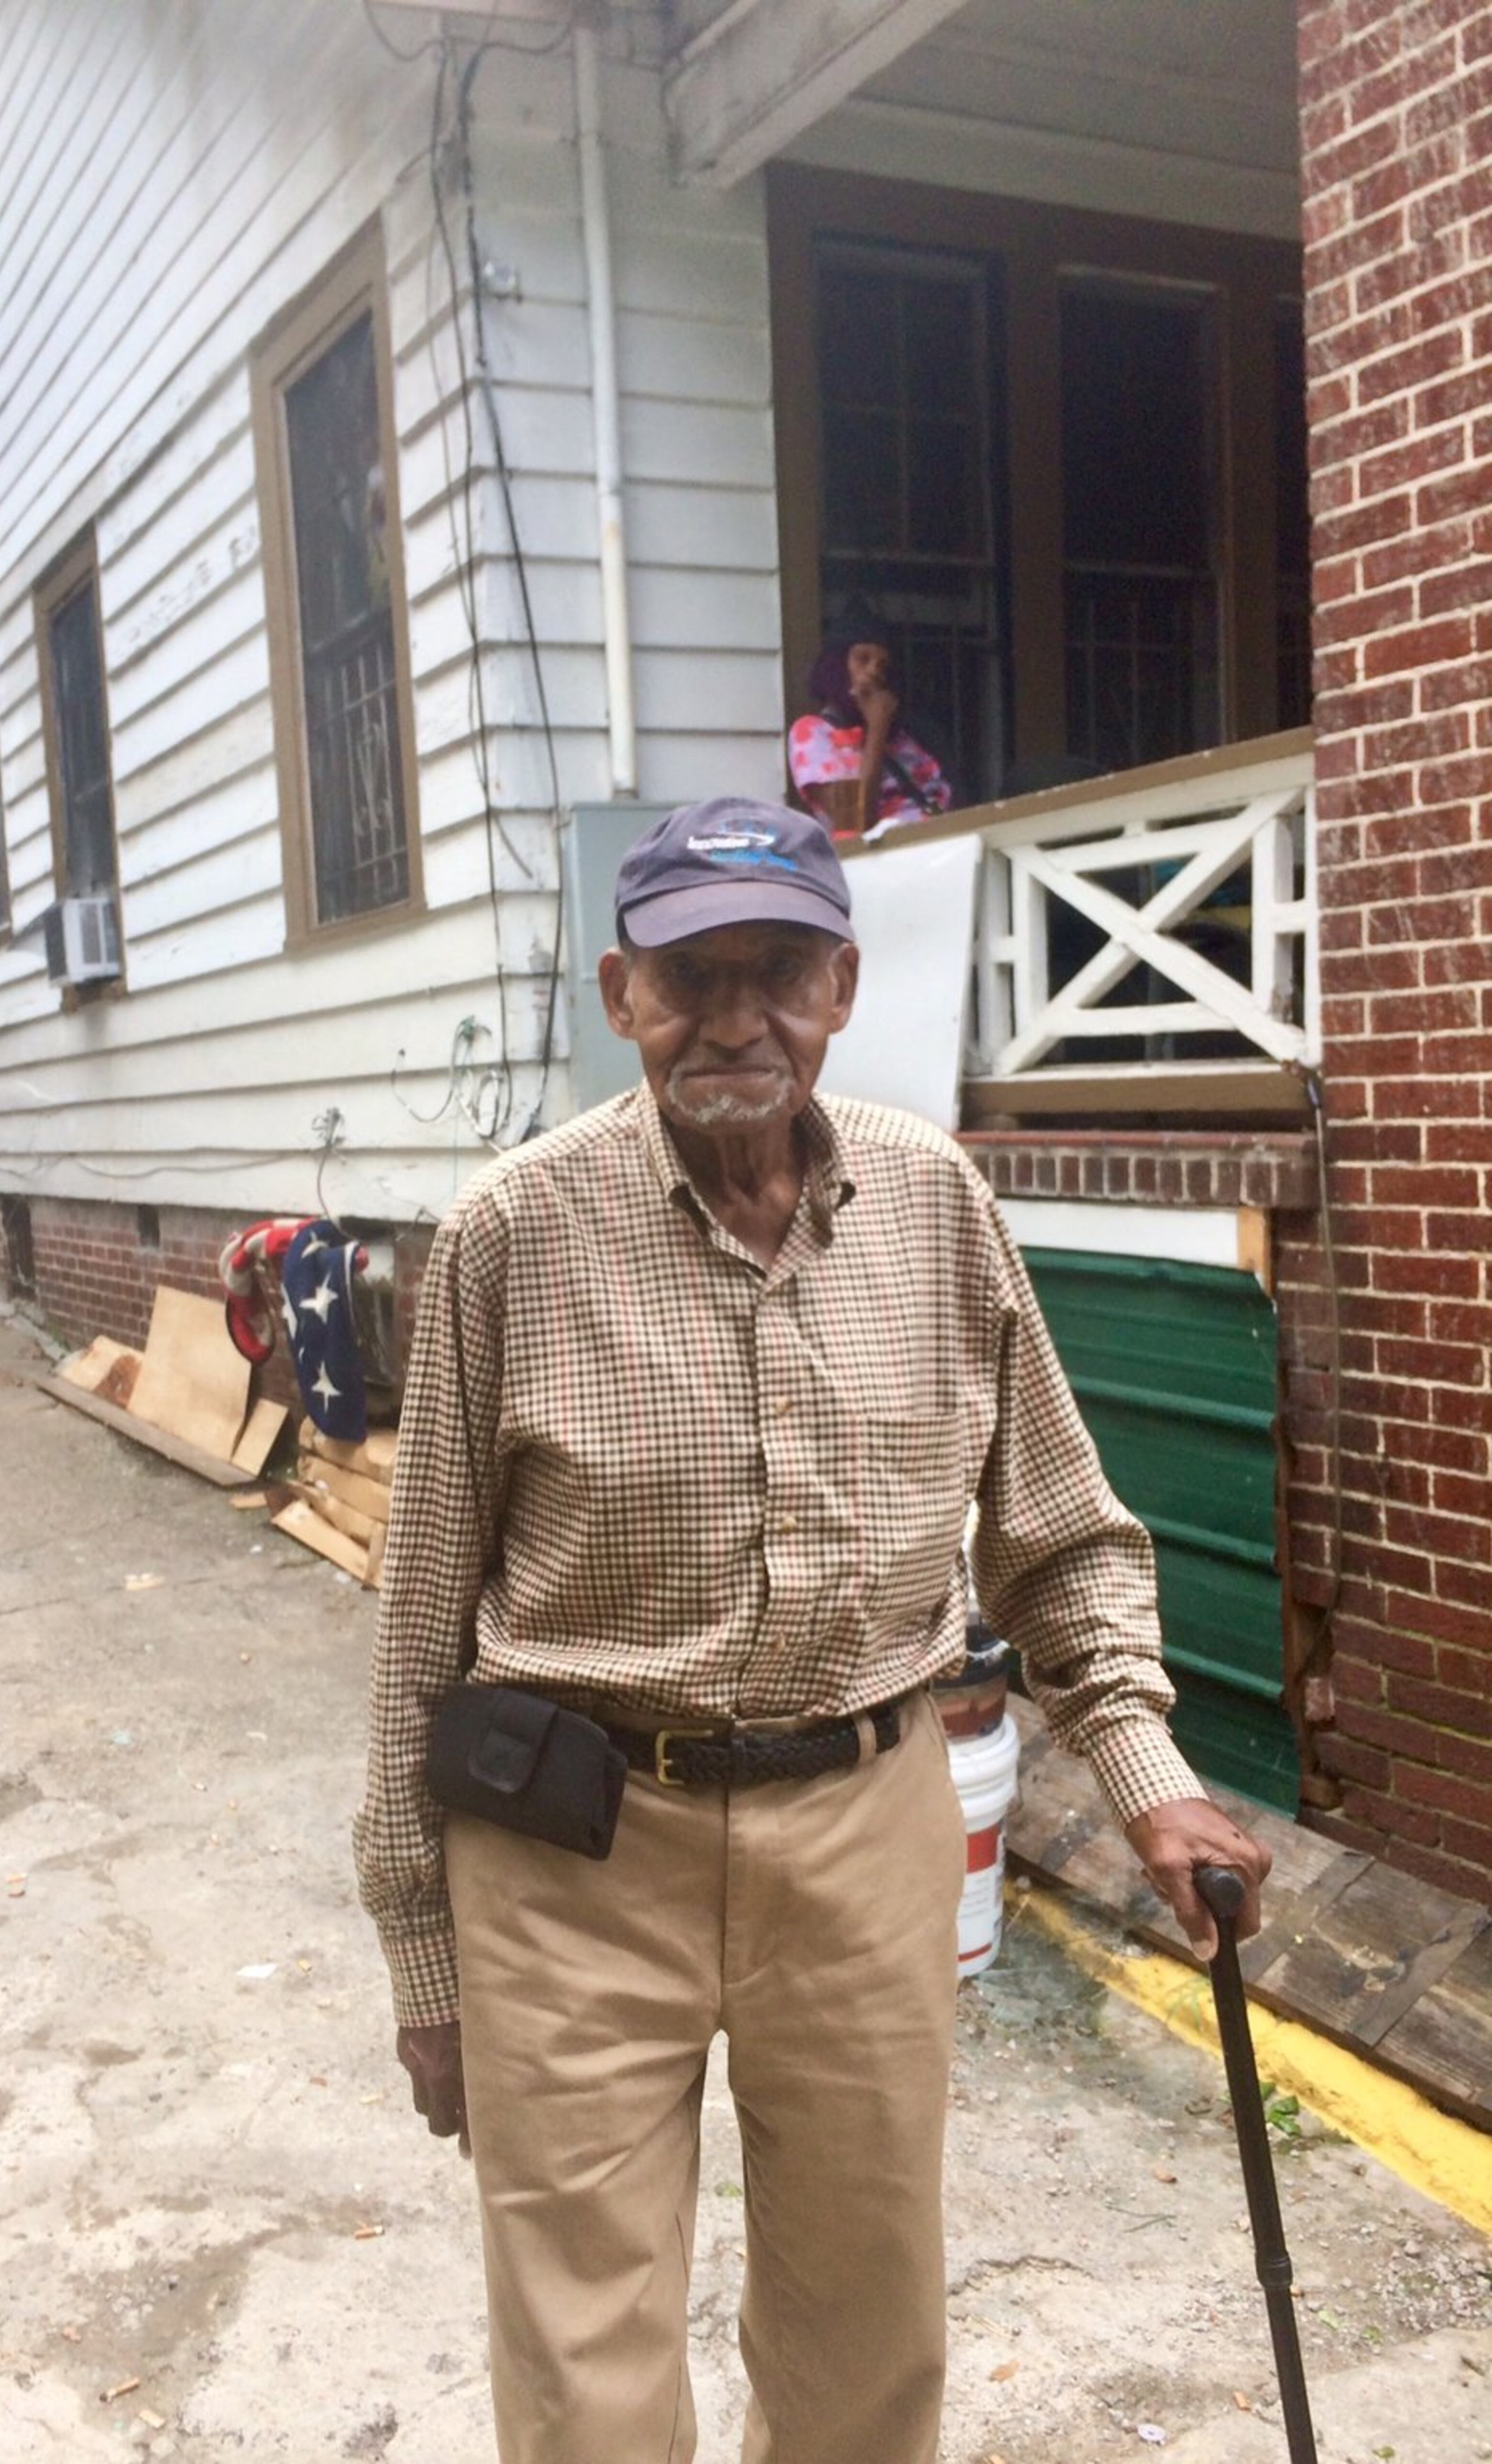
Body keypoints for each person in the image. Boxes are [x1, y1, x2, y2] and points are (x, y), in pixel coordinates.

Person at [353, 796, 1270, 2464]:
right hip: (574, 1857)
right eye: (688, 978)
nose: (733, 1020)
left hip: (863, 1836)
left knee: (868, 2341)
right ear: (621, 993)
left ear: (843, 987)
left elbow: (1055, 1537)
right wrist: (424, 1951)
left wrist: (1148, 1779)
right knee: (583, 2376)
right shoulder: (513, 1235)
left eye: (775, 972)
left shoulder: (937, 1207)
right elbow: (420, 1636)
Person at [788, 629, 953, 844]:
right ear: (837, 667)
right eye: (863, 660)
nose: (874, 672)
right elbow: (854, 823)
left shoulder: (910, 737)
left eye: (882, 666)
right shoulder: (813, 733)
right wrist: (878, 728)